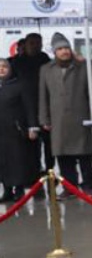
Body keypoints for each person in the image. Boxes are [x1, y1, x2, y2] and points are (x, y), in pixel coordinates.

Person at [39, 34, 92, 191]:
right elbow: (43, 96)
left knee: (85, 155)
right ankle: (70, 188)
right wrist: (44, 119)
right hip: (58, 120)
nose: (64, 51)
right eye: (60, 49)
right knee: (63, 156)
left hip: (81, 117)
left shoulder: (83, 67)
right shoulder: (46, 69)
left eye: (66, 48)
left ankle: (89, 185)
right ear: (54, 51)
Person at [9, 33, 51, 172]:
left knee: (49, 144)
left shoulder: (45, 59)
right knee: (31, 145)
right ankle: (34, 170)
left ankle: (50, 170)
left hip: (45, 105)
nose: (35, 46)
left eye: (38, 43)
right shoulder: (17, 62)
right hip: (26, 108)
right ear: (25, 44)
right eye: (32, 43)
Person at [0, 59, 39, 201]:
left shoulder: (20, 85)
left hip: (15, 130)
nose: (1, 69)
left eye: (4, 66)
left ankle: (19, 190)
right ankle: (7, 190)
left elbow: (29, 107)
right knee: (2, 162)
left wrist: (32, 126)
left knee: (18, 161)